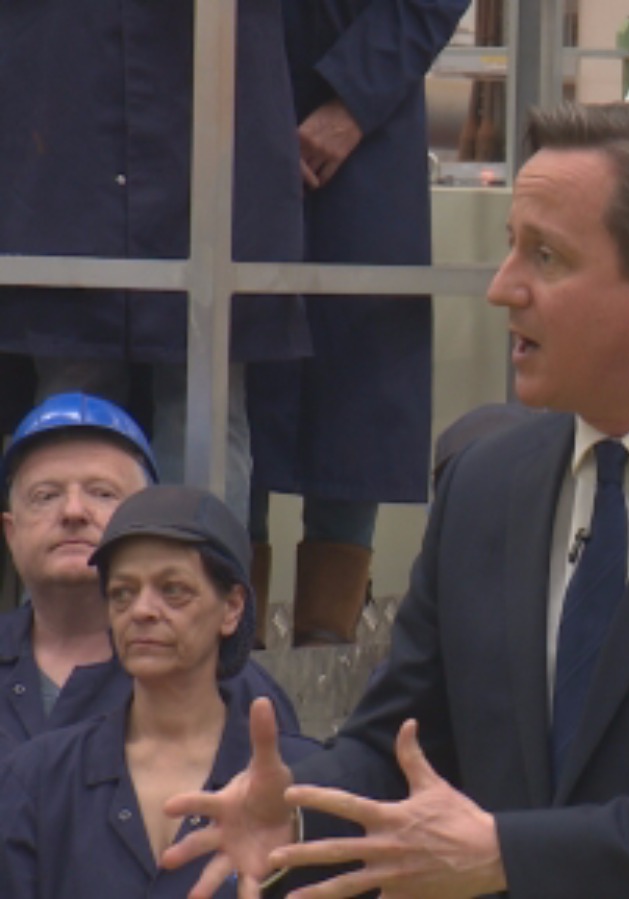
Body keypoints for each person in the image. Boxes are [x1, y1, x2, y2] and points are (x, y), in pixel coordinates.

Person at [163, 102, 629, 898]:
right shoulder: (485, 486)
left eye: (546, 256)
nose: (502, 288)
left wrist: (510, 854)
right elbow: (402, 748)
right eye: (509, 247)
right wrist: (297, 814)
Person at [0, 1, 311, 522]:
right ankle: (67, 573)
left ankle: (198, 569)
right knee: (73, 384)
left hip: (213, 117)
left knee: (203, 399)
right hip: (65, 113)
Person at [249, 0, 472, 647]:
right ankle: (227, 651)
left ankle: (328, 658)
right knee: (231, 385)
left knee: (354, 393)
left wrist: (353, 101)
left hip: (367, 129)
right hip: (226, 103)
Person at [0, 485, 322, 898]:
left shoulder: (302, 781)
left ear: (232, 607)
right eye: (122, 593)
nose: (142, 611)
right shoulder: (40, 777)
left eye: (173, 590)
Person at [0, 393, 298, 761]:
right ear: (11, 532)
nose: (73, 511)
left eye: (102, 493)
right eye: (46, 496)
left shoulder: (233, 691)